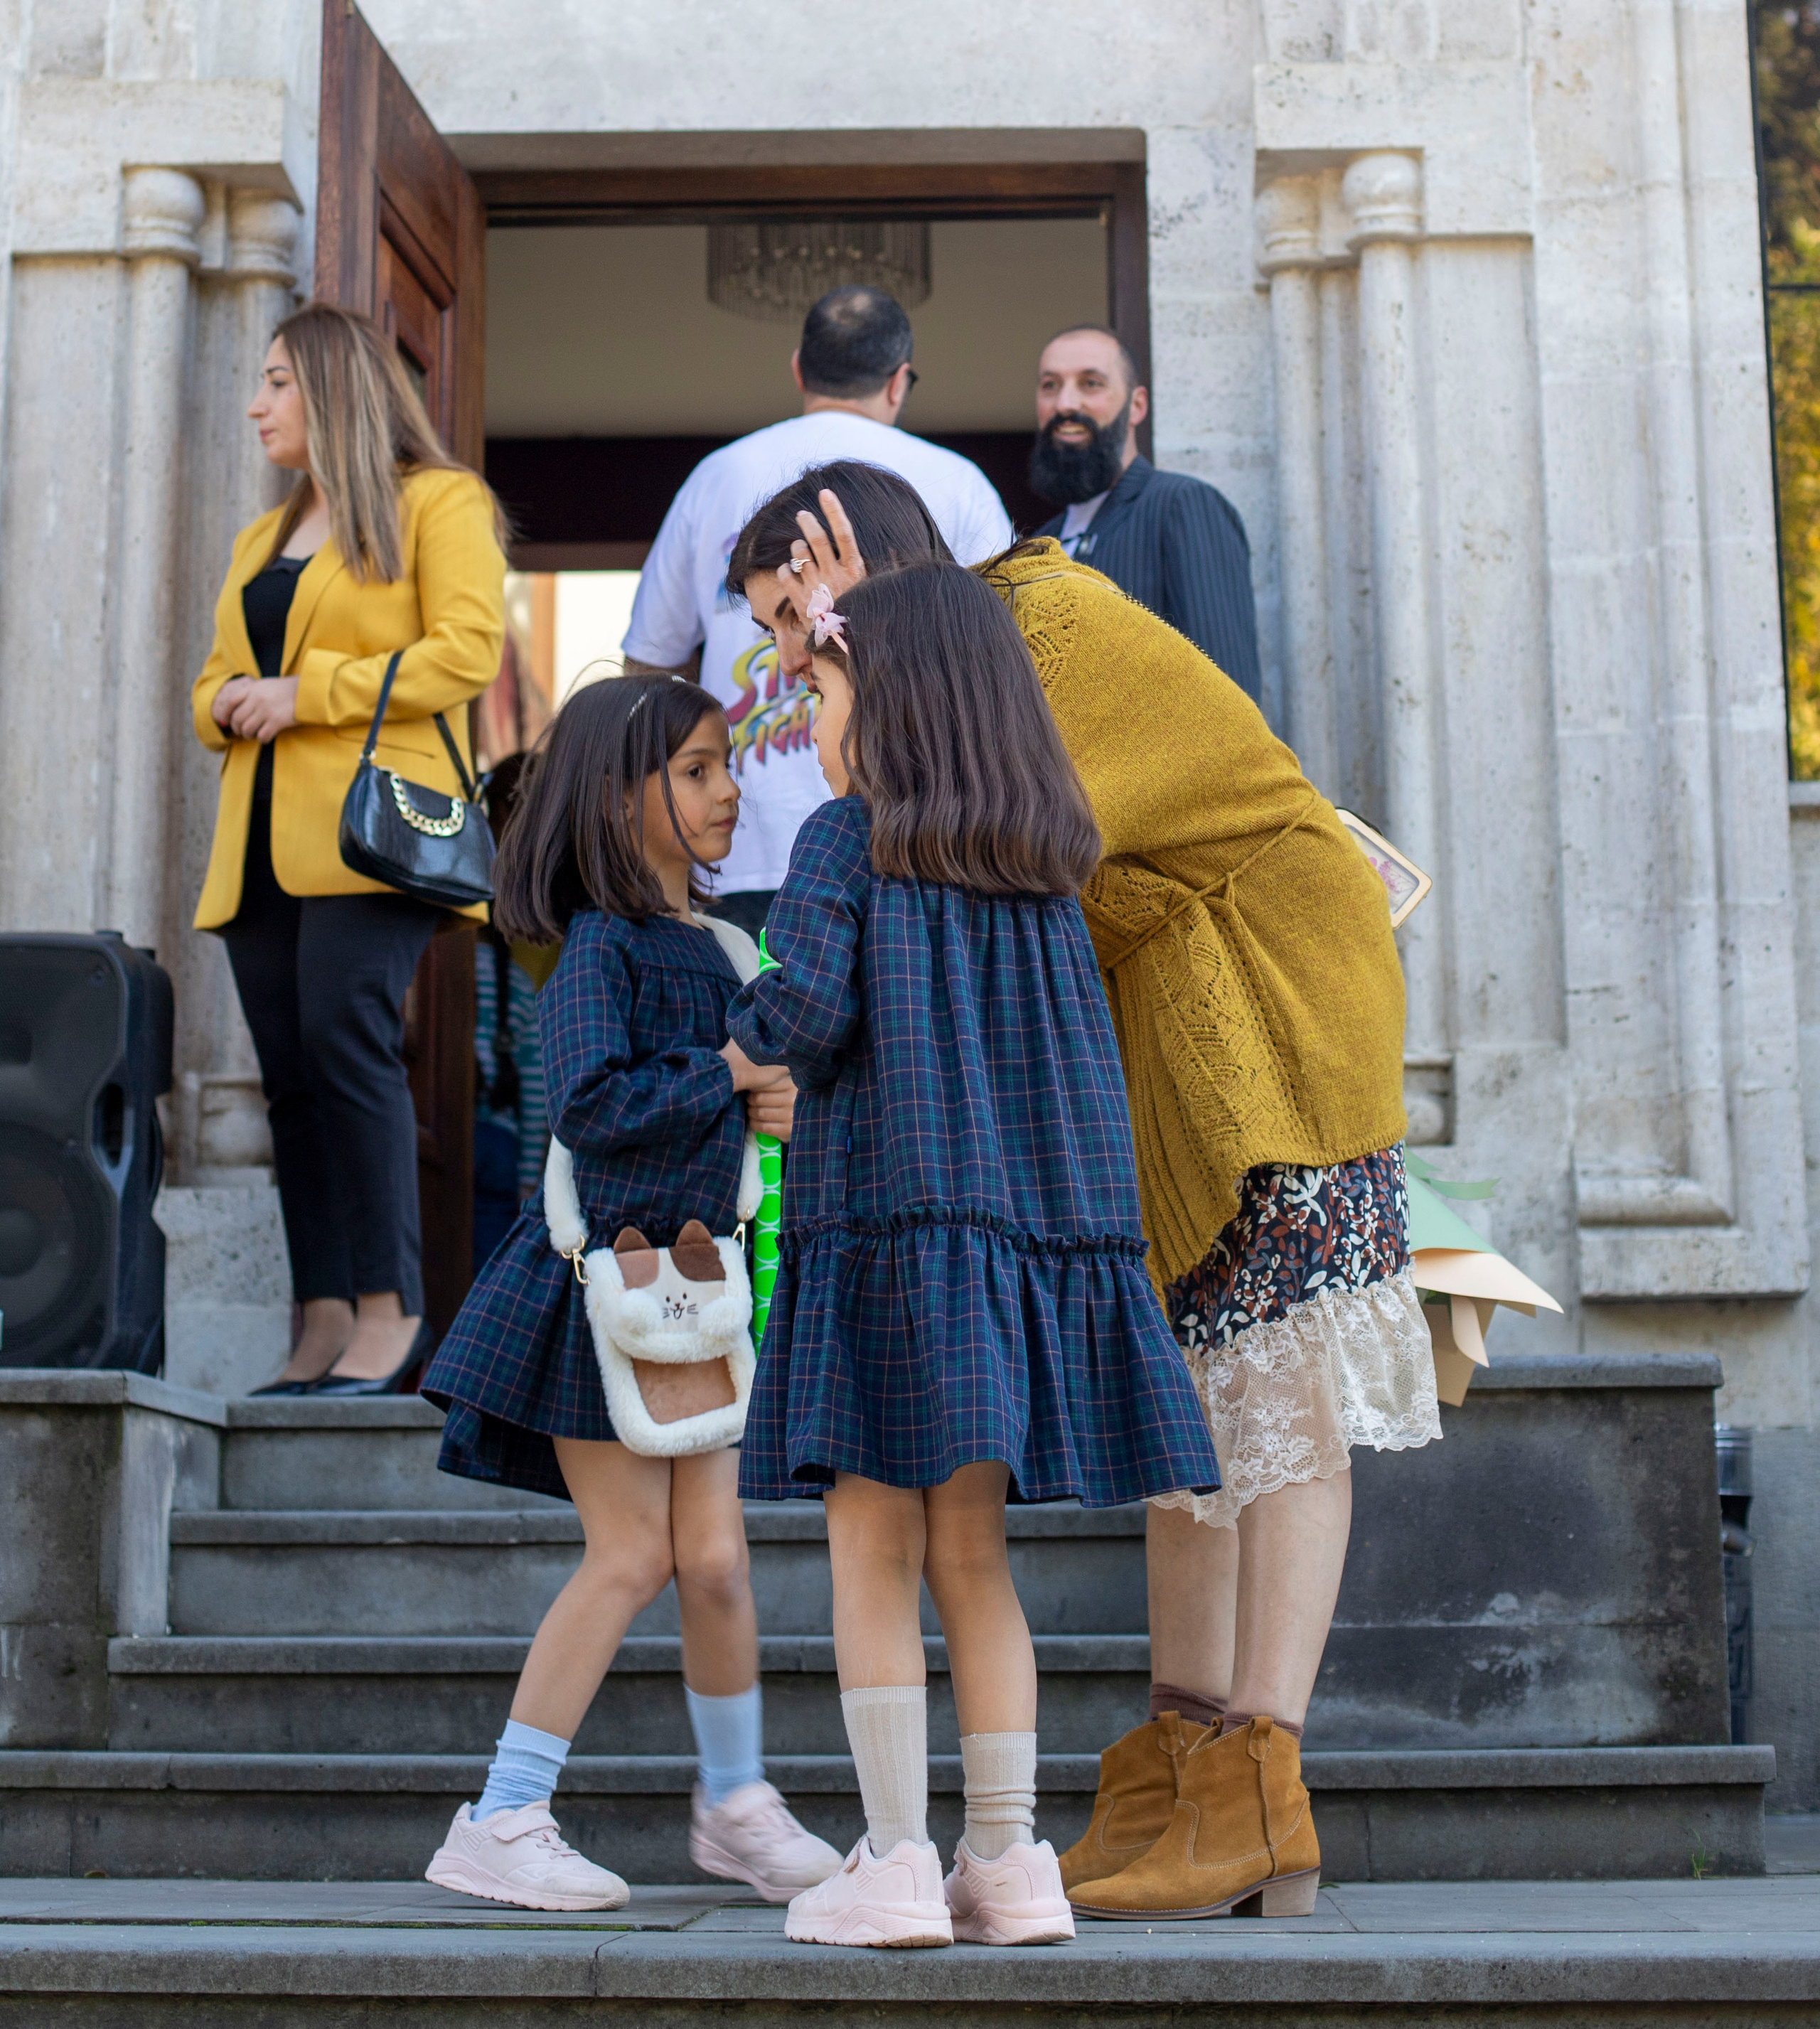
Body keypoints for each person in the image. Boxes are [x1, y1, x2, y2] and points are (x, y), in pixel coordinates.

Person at [726, 469, 1440, 1922]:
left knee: (1277, 1373)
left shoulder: (1026, 626)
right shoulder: (955, 660)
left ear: (861, 567)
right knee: (1198, 1394)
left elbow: (989, 824)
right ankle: (1183, 1761)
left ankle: (1258, 1776)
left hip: (1267, 993)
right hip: (1144, 1027)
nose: (789, 663)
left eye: (795, 617)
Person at [727, 563, 1222, 1949]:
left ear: (886, 702)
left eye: (820, 689)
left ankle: (892, 1855)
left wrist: (742, 1010)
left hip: (886, 1238)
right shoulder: (1040, 868)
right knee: (974, 1557)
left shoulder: (843, 838)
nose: (814, 721)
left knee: (867, 1545)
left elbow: (807, 1016)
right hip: (1009, 1255)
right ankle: (1006, 1859)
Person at [417, 676, 842, 1914]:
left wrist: (768, 1097)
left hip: (691, 1295)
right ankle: (501, 1809)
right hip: (599, 1290)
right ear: (621, 796)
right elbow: (595, 1108)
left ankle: (735, 1801)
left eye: (726, 765)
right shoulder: (602, 942)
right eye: (701, 770)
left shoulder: (718, 944)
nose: (730, 790)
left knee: (712, 1558)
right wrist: (727, 1069)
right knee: (634, 1552)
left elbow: (743, 1094)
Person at [191, 301, 507, 1396]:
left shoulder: (438, 502)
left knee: (345, 1042)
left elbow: (467, 651)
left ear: (333, 387)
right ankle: (322, 1313)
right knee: (291, 1082)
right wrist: (223, 700)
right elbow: (214, 675)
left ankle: (392, 1309)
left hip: (376, 834)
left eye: (277, 380)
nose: (256, 403)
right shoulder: (260, 539)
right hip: (259, 847)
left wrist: (306, 691)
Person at [620, 284, 1012, 941]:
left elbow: (646, 671)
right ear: (898, 382)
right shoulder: (959, 482)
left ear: (800, 368)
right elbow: (1002, 652)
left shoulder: (715, 476)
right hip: (916, 831)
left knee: (764, 1031)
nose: (789, 652)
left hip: (744, 838)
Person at [1028, 325, 1263, 702]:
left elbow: (1229, 699)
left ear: (1137, 405)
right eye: (1050, 386)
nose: (1065, 404)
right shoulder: (1039, 544)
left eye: (1091, 383)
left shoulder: (1182, 505)